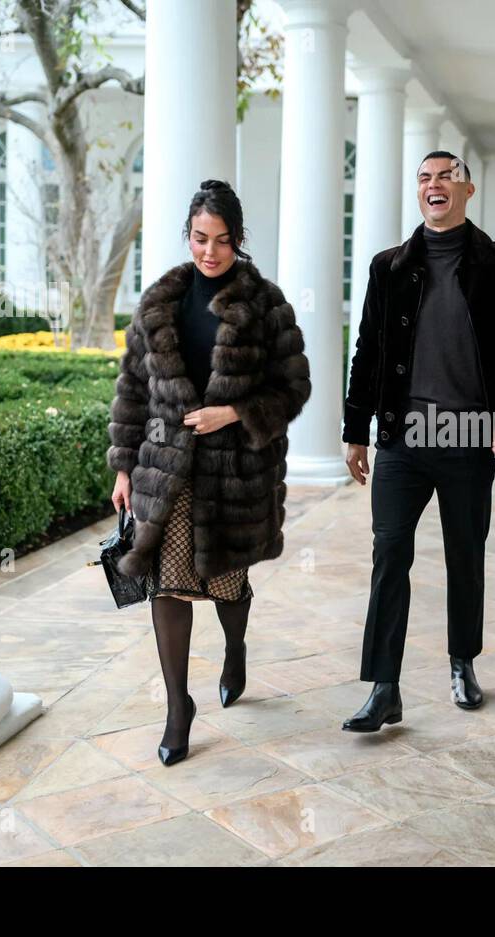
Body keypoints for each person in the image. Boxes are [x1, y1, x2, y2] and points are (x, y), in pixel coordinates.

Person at [107, 179, 311, 765]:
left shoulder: (267, 305)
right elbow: (132, 391)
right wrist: (124, 466)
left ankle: (236, 647)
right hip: (166, 468)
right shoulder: (158, 304)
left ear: (238, 240)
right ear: (187, 236)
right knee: (166, 583)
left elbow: (293, 386)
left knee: (225, 584)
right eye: (200, 238)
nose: (210, 252)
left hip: (236, 471)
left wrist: (237, 412)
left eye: (222, 240)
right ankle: (178, 707)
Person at [340, 151, 495, 732]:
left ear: (467, 190)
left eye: (446, 176)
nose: (434, 185)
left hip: (470, 435)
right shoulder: (389, 267)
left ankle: (462, 662)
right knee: (389, 553)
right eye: (424, 177)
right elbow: (368, 352)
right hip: (403, 435)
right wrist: (356, 430)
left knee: (464, 555)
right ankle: (384, 687)